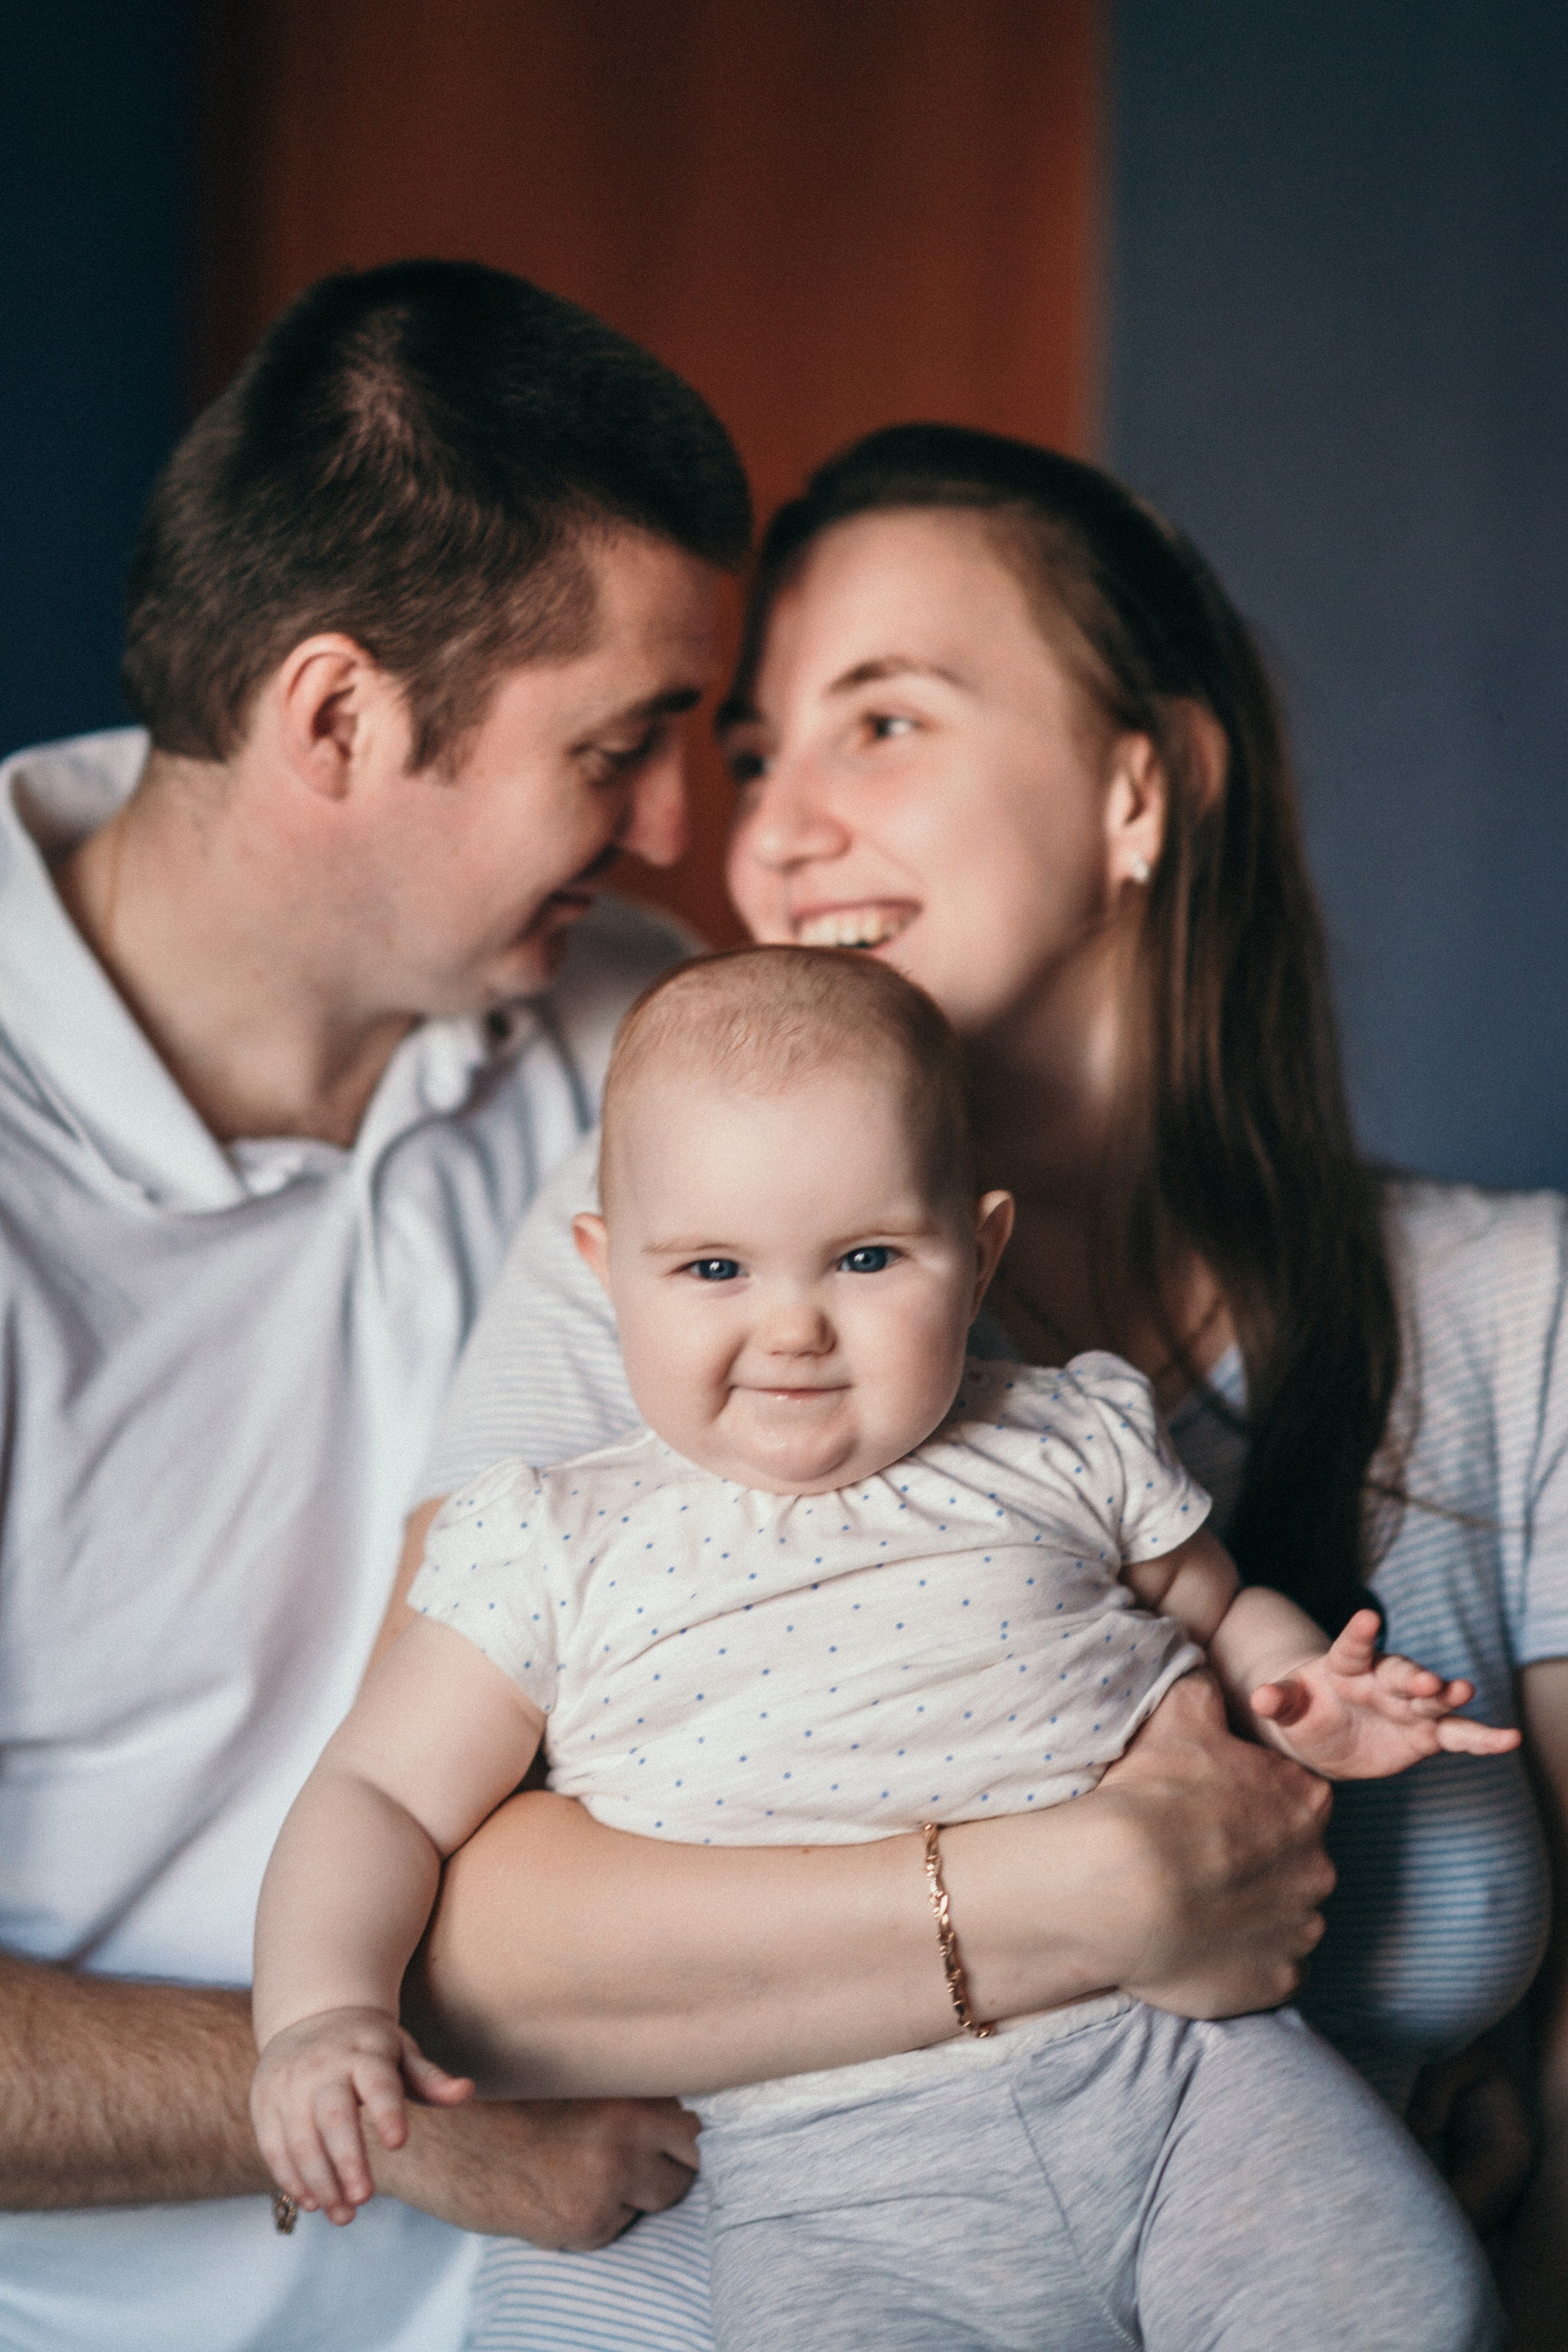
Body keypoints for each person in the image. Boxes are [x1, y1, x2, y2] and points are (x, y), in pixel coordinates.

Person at [383, 429, 1568, 2350]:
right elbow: (457, 1951)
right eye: (758, 754)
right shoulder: (662, 1281)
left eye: (882, 723)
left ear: (1138, 788)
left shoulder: (1513, 1310)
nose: (771, 836)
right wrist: (1093, 1889)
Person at [252, 946, 1509, 2352]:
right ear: (606, 1271)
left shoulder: (1064, 1437)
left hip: (1191, 2077)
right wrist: (318, 2011)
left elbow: (1219, 1616)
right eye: (713, 1267)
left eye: (865, 1259)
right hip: (833, 2172)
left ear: (978, 1253)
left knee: (1404, 2305)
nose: (791, 1327)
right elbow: (375, 1793)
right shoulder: (551, 1542)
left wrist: (1308, 1691)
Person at [0, 257, 755, 2352]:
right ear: (336, 716)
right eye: (618, 746)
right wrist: (414, 2137)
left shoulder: (646, 1037)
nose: (679, 829)